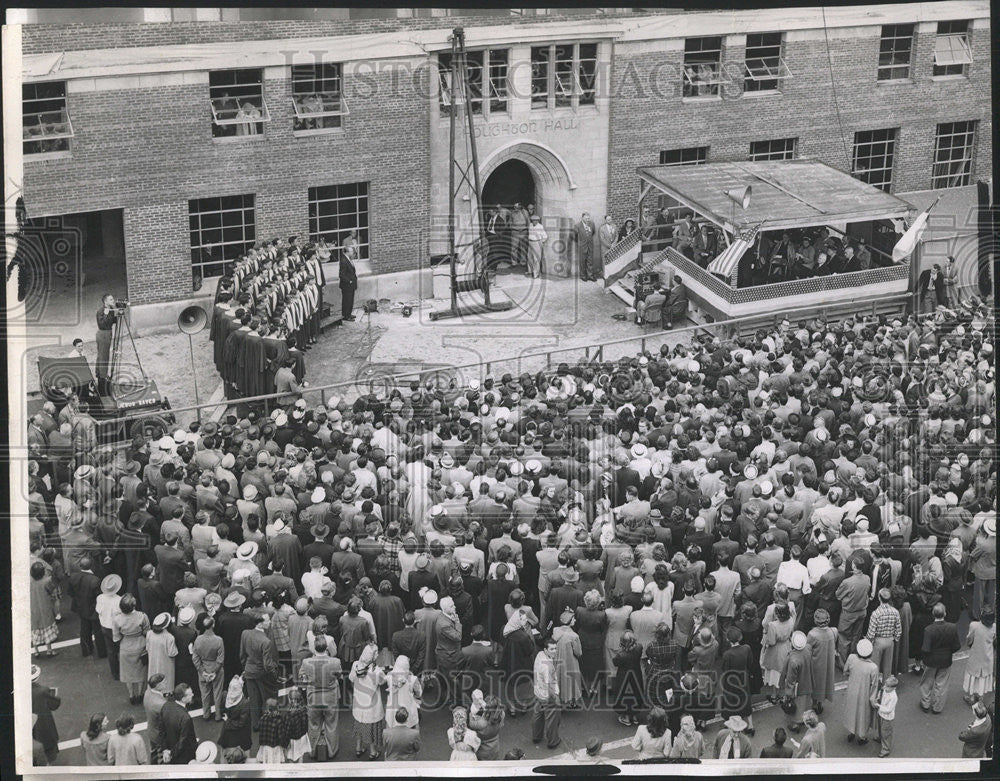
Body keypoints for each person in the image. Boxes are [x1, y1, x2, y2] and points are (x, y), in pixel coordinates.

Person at [920, 602, 961, 714]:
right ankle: (937, 707)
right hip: (946, 660)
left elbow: (926, 649)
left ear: (933, 614)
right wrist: (948, 652)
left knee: (926, 683)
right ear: (945, 613)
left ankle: (925, 704)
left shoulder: (929, 629)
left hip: (931, 661)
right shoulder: (952, 627)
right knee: (941, 684)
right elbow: (957, 646)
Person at [349, 642, 386, 759]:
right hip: (372, 706)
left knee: (359, 724)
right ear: (374, 656)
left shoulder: (355, 665)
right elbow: (382, 682)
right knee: (371, 727)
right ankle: (373, 751)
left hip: (359, 703)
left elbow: (351, 678)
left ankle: (358, 748)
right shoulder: (376, 671)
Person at [112, 593, 150, 704]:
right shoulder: (142, 616)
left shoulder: (117, 619)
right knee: (141, 672)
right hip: (140, 645)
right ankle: (140, 694)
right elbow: (147, 631)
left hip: (126, 646)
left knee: (128, 673)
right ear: (133, 606)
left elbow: (116, 637)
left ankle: (131, 695)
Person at [842, 638, 879, 744]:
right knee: (863, 714)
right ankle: (862, 737)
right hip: (865, 693)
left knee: (851, 711)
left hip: (852, 690)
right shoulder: (873, 667)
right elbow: (874, 685)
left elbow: (845, 671)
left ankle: (851, 732)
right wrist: (873, 699)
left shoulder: (851, 658)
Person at [532, 638, 561, 749]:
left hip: (538, 692)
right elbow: (549, 686)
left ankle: (536, 736)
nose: (554, 651)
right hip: (548, 696)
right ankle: (553, 741)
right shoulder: (547, 667)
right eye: (551, 649)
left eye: (555, 648)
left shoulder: (540, 655)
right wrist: (556, 698)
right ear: (545, 649)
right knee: (552, 719)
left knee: (537, 714)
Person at [611, 629, 644, 725]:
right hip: (636, 675)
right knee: (636, 694)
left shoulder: (621, 655)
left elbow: (615, 662)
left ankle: (626, 718)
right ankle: (634, 717)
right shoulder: (639, 648)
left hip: (624, 677)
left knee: (625, 696)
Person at [964, 609, 996, 703]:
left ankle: (972, 697)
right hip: (988, 655)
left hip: (976, 654)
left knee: (974, 676)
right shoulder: (994, 627)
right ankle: (981, 697)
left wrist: (970, 645)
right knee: (984, 676)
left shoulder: (974, 625)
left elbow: (969, 639)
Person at [161, 683, 197, 764]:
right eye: (190, 694)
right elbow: (183, 741)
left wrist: (165, 750)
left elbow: (162, 730)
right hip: (183, 755)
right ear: (183, 698)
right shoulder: (186, 718)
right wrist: (171, 753)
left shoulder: (166, 706)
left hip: (169, 747)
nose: (193, 695)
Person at [29, 561, 59, 658]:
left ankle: (36, 651)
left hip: (33, 609)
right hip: (45, 607)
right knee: (47, 629)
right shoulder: (47, 581)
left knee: (35, 630)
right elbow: (52, 591)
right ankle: (49, 651)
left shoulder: (29, 582)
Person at [219, 675, 253, 754]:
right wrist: (228, 721)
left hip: (227, 732)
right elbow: (241, 723)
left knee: (228, 754)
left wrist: (227, 720)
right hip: (241, 734)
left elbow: (221, 711)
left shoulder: (225, 695)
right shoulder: (245, 703)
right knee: (242, 754)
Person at [95, 293, 119, 393]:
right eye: (111, 300)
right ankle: (102, 378)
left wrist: (116, 311)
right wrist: (105, 313)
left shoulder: (111, 310)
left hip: (108, 333)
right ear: (105, 301)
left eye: (113, 299)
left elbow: (114, 321)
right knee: (103, 356)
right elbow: (101, 324)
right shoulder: (101, 311)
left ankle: (100, 374)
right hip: (103, 334)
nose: (113, 301)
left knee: (104, 356)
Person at [257, 698, 289, 764]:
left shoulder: (263, 718)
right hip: (275, 748)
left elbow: (260, 731)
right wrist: (285, 745)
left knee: (265, 765)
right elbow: (281, 737)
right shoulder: (279, 720)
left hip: (265, 747)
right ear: (277, 708)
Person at [873, 675, 898, 757]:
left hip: (887, 718)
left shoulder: (893, 697)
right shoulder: (885, 690)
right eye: (885, 685)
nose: (884, 687)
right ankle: (880, 738)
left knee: (886, 733)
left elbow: (888, 710)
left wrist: (878, 706)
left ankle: (886, 749)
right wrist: (878, 697)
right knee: (881, 729)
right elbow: (881, 694)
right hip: (881, 715)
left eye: (887, 686)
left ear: (893, 688)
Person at [339, 237, 358, 322]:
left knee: (350, 300)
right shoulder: (343, 260)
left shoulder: (349, 259)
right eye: (351, 252)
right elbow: (341, 274)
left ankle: (349, 314)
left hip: (351, 285)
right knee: (347, 300)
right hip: (347, 285)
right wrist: (349, 281)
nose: (352, 253)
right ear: (347, 252)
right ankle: (346, 315)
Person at [575, 212, 597, 281]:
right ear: (582, 218)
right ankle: (583, 276)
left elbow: (593, 233)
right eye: (586, 218)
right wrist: (580, 242)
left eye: (588, 218)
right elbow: (574, 236)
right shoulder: (578, 225)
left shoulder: (592, 224)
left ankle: (590, 275)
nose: (588, 219)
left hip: (590, 246)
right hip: (582, 246)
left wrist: (588, 239)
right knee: (582, 262)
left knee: (590, 261)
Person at [527, 214, 547, 279]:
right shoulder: (530, 225)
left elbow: (545, 236)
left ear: (538, 221)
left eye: (535, 220)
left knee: (536, 259)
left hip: (537, 243)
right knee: (529, 257)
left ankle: (536, 273)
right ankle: (530, 271)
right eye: (533, 220)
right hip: (530, 242)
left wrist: (540, 242)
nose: (534, 222)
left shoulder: (540, 227)